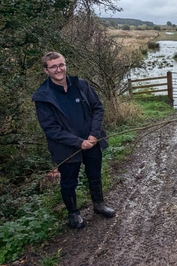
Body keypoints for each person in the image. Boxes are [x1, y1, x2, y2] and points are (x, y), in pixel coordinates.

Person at [32, 52, 115, 229]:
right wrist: (78, 142)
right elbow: (51, 128)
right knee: (69, 182)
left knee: (95, 175)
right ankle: (73, 214)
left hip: (91, 142)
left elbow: (98, 108)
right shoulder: (42, 96)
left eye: (61, 65)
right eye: (53, 66)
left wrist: (93, 135)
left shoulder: (80, 84)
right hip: (66, 148)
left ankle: (99, 205)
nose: (58, 69)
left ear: (65, 65)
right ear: (46, 70)